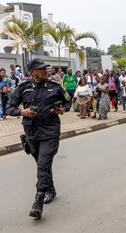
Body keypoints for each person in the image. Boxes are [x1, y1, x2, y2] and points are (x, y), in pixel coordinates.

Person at [5, 58, 71, 219]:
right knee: (42, 165)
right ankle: (51, 189)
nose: (45, 71)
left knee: (43, 164)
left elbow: (68, 102)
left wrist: (62, 109)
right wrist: (22, 112)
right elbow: (9, 107)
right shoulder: (23, 88)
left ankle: (38, 201)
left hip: (50, 131)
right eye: (41, 69)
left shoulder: (55, 87)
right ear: (32, 72)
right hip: (31, 133)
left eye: (45, 69)